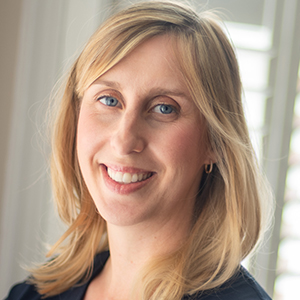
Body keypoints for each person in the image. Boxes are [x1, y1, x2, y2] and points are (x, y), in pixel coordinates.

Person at [5, 1, 273, 299]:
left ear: (215, 142)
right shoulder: (34, 293)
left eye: (164, 108)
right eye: (109, 100)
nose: (124, 141)